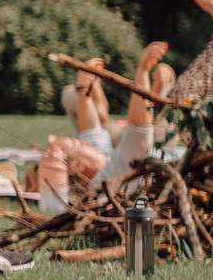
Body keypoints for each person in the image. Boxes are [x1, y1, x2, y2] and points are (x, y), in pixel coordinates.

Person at [33, 41, 169, 202]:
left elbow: (89, 129)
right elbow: (140, 123)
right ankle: (163, 97)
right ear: (78, 166)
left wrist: (83, 88)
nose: (82, 142)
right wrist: (143, 70)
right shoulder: (112, 173)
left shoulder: (96, 162)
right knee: (159, 127)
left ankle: (161, 96)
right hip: (172, 161)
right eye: (78, 145)